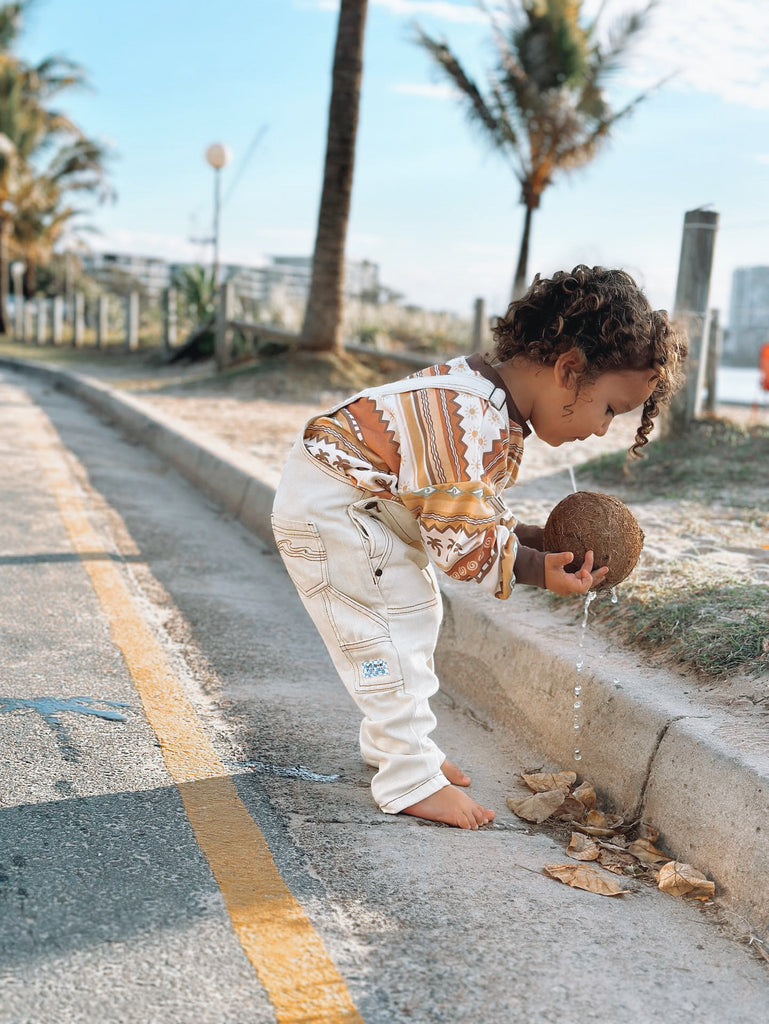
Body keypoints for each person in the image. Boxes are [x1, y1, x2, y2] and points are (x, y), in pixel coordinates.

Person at [271, 266, 686, 829]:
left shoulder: (485, 400)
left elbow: (466, 509)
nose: (605, 429)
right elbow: (461, 545)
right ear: (569, 370)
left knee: (412, 619)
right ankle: (407, 774)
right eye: (610, 409)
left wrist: (535, 541)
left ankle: (397, 743)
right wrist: (538, 569)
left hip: (358, 507)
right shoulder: (474, 418)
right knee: (384, 633)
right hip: (335, 511)